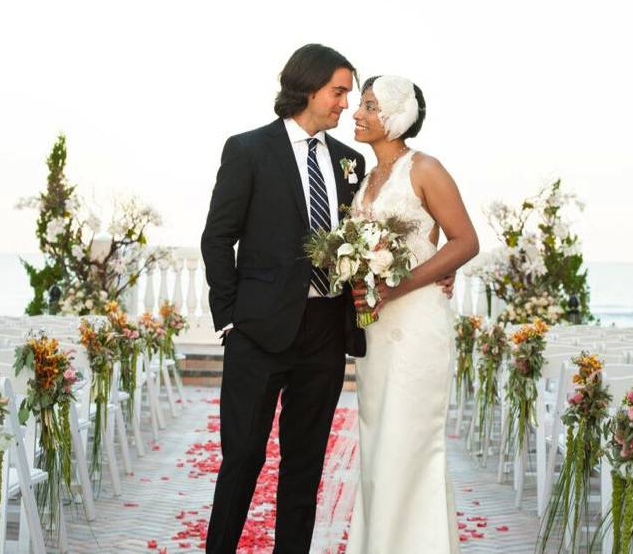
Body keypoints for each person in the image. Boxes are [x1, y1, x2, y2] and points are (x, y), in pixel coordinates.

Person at [200, 43, 366, 554]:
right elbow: (217, 238)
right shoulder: (248, 149)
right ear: (308, 87)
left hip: (324, 332)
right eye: (338, 92)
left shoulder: (350, 163)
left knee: (305, 467)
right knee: (243, 459)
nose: (345, 104)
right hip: (258, 332)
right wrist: (229, 318)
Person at [345, 75, 479, 554]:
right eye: (359, 104)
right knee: (378, 444)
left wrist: (396, 285)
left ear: (397, 116)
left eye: (369, 105)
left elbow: (465, 241)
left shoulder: (426, 168)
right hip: (375, 332)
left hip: (416, 324)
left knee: (410, 443)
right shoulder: (362, 179)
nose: (357, 114)